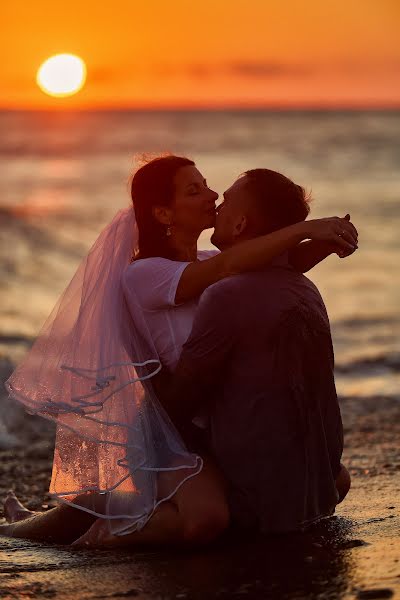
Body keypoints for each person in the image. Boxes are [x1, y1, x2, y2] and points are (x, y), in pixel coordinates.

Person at [1, 156, 357, 547]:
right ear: (162, 212)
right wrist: (306, 229)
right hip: (171, 430)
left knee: (319, 485)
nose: (212, 195)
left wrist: (326, 243)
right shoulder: (145, 274)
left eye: (206, 185)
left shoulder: (210, 262)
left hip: (217, 427)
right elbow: (233, 266)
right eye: (195, 190)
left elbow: (277, 263)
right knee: (205, 520)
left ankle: (45, 518)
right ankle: (83, 537)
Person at [158, 168, 352, 534]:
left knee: (143, 447)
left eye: (227, 200)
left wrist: (140, 377)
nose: (217, 203)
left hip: (255, 506)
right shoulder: (308, 290)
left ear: (240, 224)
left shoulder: (227, 295)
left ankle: (42, 528)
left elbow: (182, 401)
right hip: (316, 494)